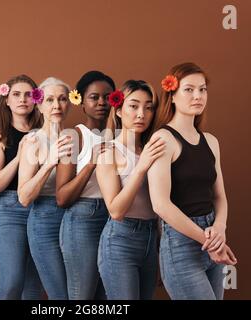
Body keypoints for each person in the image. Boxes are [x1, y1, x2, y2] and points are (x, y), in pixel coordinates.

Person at [148, 62, 237, 300]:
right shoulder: (163, 139)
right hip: (181, 244)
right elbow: (161, 205)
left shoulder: (211, 141)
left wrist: (219, 228)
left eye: (202, 89)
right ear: (173, 95)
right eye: (189, 89)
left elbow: (219, 196)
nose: (198, 96)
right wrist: (208, 240)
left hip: (211, 237)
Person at [96, 80, 165, 299]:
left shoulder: (153, 150)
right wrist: (141, 167)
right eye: (133, 106)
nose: (141, 114)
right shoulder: (110, 153)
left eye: (148, 107)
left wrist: (163, 249)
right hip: (120, 240)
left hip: (151, 238)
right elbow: (115, 211)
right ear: (118, 110)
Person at [56, 71, 115, 299]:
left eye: (108, 97)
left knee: (105, 297)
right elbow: (62, 198)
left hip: (115, 220)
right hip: (83, 220)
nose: (102, 102)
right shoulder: (74, 136)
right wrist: (90, 164)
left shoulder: (121, 136)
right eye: (94, 97)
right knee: (83, 295)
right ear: (80, 100)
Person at [0, 75, 43, 299]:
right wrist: (20, 156)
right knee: (11, 283)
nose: (22, 99)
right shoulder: (1, 136)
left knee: (34, 288)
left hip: (41, 208)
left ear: (36, 99)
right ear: (6, 100)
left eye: (28, 94)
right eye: (16, 94)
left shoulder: (45, 133)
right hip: (10, 211)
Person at [18, 77, 73, 299]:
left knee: (78, 293)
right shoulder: (33, 141)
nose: (57, 106)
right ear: (39, 105)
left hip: (74, 218)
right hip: (45, 220)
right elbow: (23, 197)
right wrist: (49, 162)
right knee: (59, 295)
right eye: (49, 100)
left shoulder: (75, 137)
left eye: (61, 99)